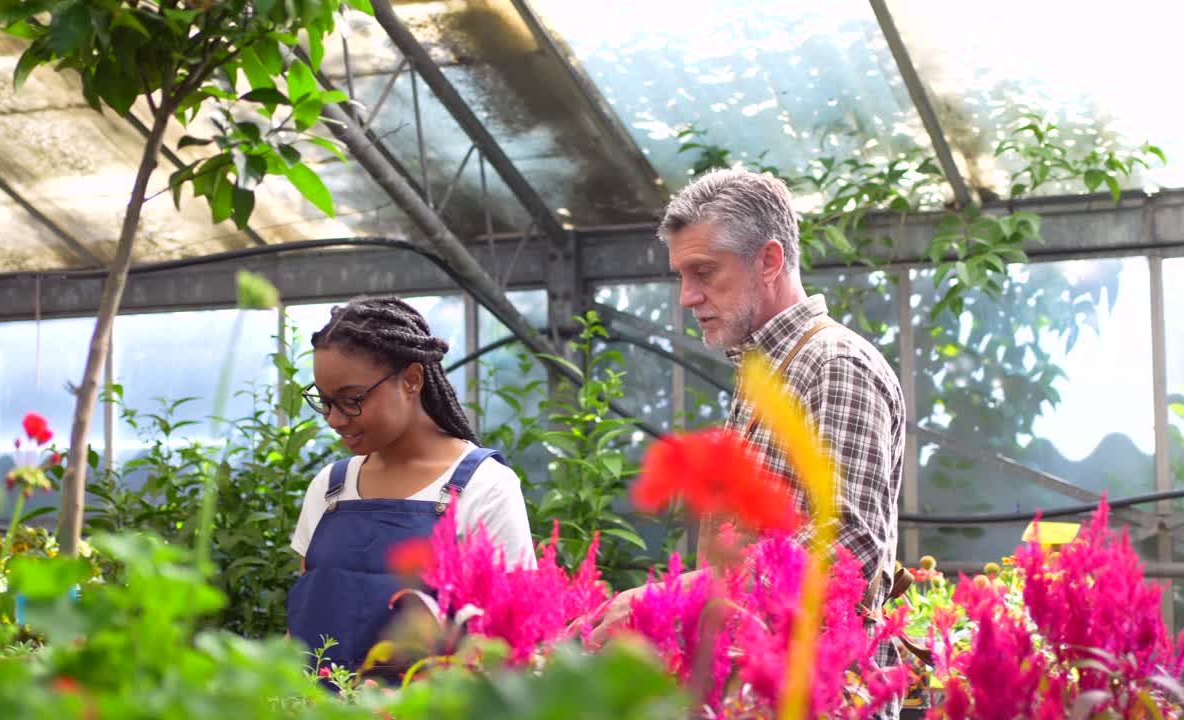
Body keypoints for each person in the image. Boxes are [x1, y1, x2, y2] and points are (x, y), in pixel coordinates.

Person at [590, 169, 905, 714]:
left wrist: (676, 598)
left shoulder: (833, 364)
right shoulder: (767, 370)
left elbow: (847, 548)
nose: (688, 297)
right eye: (682, 276)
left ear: (769, 260)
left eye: (704, 272)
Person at [288, 295, 534, 674]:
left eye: (351, 400)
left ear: (412, 380)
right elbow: (302, 628)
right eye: (324, 401)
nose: (334, 419)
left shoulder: (484, 487)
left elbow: (511, 646)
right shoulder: (329, 488)